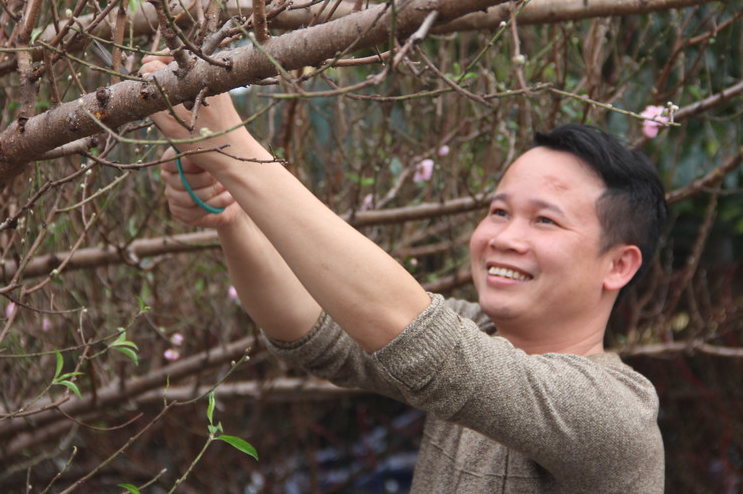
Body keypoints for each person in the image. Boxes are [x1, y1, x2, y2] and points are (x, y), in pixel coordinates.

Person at [143, 55, 667, 493]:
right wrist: (233, 215)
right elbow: (311, 329)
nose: (504, 238)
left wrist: (232, 149)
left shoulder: (615, 415)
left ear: (619, 264)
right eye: (500, 212)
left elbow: (422, 341)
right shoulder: (483, 334)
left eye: (545, 220)